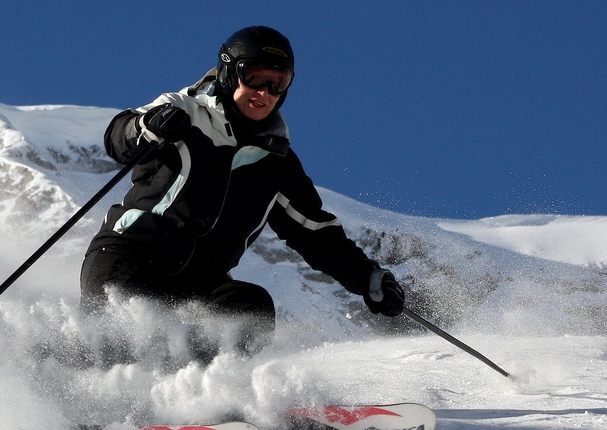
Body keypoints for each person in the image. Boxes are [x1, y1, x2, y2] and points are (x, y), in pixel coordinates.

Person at [79, 26, 404, 367]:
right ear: (229, 73)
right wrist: (148, 126)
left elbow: (315, 233)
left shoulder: (276, 163)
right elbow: (118, 136)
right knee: (122, 331)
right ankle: (85, 389)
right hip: (131, 254)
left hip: (199, 280)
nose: (264, 92)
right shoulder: (185, 112)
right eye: (254, 77)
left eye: (277, 83)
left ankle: (196, 401)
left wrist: (367, 277)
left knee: (250, 309)